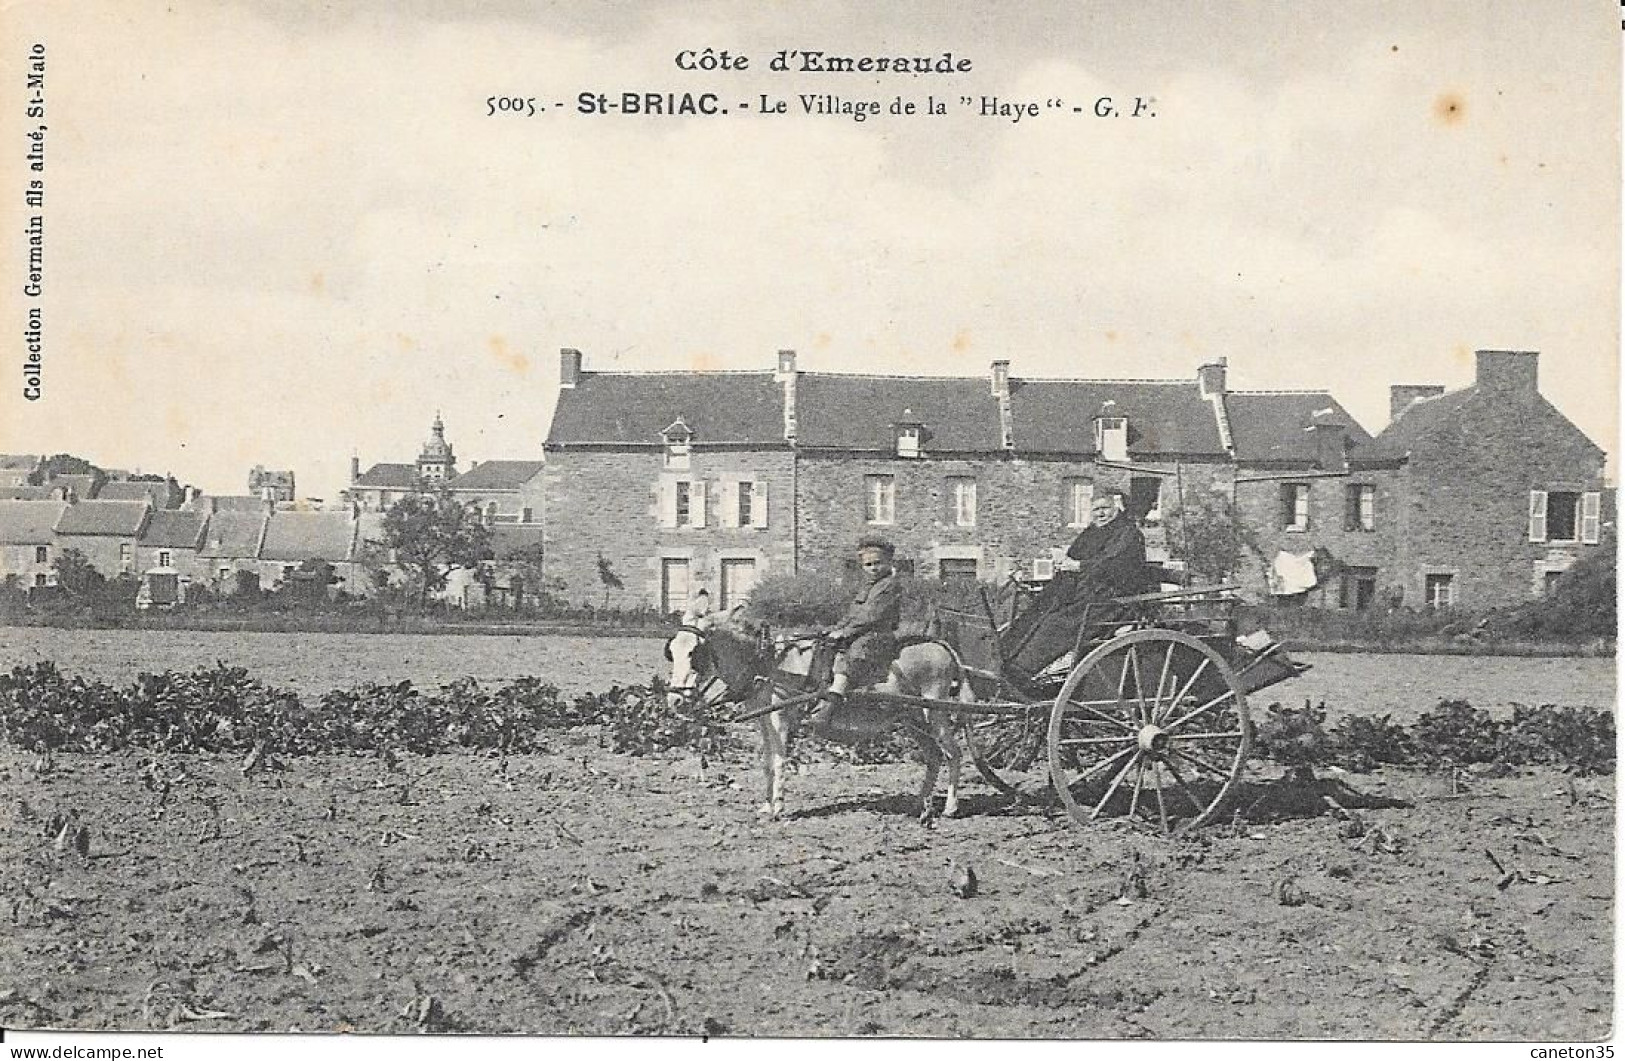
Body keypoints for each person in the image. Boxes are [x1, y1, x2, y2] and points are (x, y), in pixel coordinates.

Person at [1002, 491, 1152, 680]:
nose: (1100, 514)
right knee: (1041, 609)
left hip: (1116, 600)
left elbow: (1113, 563)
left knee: (1056, 623)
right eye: (1096, 510)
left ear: (1116, 508)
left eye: (1105, 508)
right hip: (1089, 592)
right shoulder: (1094, 532)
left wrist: (1079, 566)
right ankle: (1007, 658)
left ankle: (1023, 669)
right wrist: (1065, 563)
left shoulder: (1128, 533)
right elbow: (1076, 555)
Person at [808, 536, 902, 738]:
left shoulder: (889, 586)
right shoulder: (867, 587)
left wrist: (845, 633)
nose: (873, 568)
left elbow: (871, 616)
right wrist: (835, 629)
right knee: (823, 646)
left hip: (878, 634)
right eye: (868, 564)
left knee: (853, 654)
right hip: (862, 632)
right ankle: (825, 689)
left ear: (888, 563)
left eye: (878, 563)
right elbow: (853, 615)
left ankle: (831, 708)